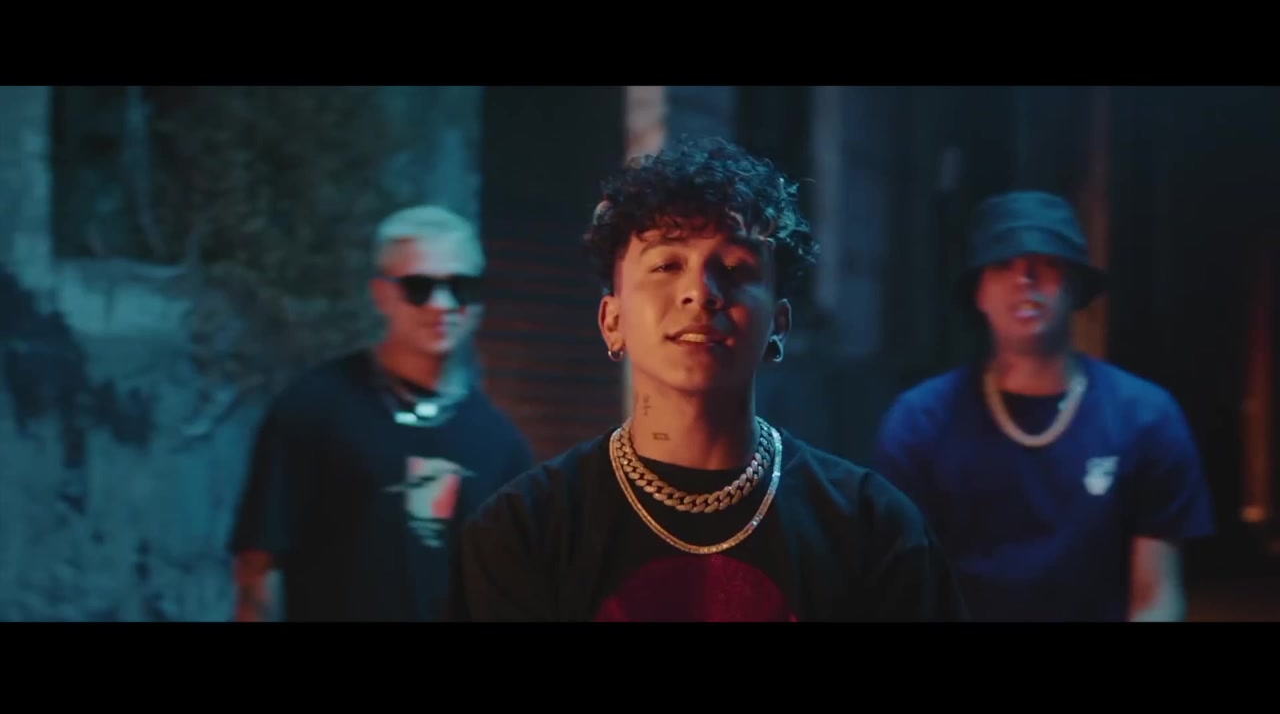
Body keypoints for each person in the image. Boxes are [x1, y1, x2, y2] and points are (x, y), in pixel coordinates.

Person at [449, 136, 967, 621]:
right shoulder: (527, 530)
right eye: (666, 266)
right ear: (612, 320)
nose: (700, 293)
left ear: (778, 324)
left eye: (735, 269)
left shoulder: (872, 529)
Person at [873, 189, 1216, 621]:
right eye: (1003, 263)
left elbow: (1156, 596)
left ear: (1074, 285)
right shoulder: (919, 421)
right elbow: (903, 593)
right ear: (980, 292)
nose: (1026, 278)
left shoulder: (1146, 417)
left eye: (1048, 262)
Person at [228, 204, 535, 621]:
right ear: (382, 294)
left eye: (461, 286)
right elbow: (258, 571)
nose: (442, 304)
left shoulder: (500, 445)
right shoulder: (313, 409)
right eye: (419, 287)